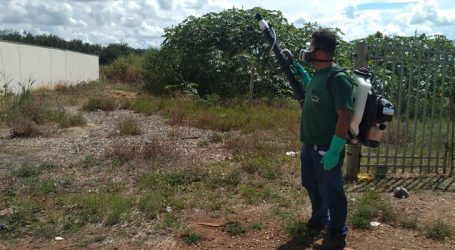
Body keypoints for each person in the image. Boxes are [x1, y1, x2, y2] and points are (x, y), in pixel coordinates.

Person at [291, 29, 353, 250]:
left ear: (323, 52)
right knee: (311, 184)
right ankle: (319, 218)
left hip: (326, 147)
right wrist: (304, 76)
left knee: (332, 190)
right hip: (309, 144)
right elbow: (314, 95)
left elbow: (345, 114)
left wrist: (335, 150)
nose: (308, 51)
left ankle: (336, 234)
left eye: (312, 47)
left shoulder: (339, 79)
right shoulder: (319, 74)